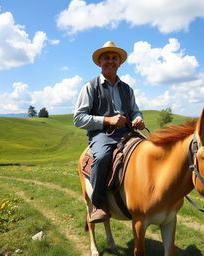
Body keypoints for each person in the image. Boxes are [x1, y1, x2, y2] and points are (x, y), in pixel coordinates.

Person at [73, 41, 145, 223]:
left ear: (120, 62)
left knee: (150, 151)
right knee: (103, 156)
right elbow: (78, 118)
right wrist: (107, 120)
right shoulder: (90, 87)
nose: (110, 61)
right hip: (102, 135)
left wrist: (138, 118)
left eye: (114, 58)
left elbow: (135, 110)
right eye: (106, 58)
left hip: (129, 133)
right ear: (99, 62)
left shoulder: (127, 88)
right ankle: (98, 204)